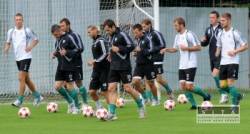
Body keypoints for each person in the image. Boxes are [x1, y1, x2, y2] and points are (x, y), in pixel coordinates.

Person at [161, 17, 211, 110]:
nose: (175, 27)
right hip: (182, 65)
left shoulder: (189, 34)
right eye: (174, 26)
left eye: (176, 25)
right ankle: (194, 105)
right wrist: (166, 49)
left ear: (181, 25)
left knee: (189, 86)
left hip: (191, 63)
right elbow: (175, 49)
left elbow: (199, 47)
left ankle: (206, 96)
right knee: (183, 86)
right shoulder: (177, 36)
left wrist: (187, 48)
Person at [103, 19, 145, 120]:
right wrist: (110, 54)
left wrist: (119, 49)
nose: (107, 32)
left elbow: (131, 46)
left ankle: (141, 106)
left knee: (128, 89)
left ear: (113, 27)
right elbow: (113, 49)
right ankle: (112, 113)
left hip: (124, 66)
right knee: (111, 88)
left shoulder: (122, 34)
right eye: (106, 31)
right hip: (113, 66)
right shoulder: (111, 37)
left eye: (108, 30)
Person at [4, 13, 43, 107]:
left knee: (21, 78)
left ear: (23, 20)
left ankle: (20, 100)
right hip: (18, 58)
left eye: (20, 19)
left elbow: (36, 39)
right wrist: (6, 48)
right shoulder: (11, 31)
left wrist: (30, 46)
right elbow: (8, 42)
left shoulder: (27, 30)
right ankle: (38, 96)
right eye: (17, 19)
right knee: (26, 79)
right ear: (14, 21)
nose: (18, 21)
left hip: (26, 57)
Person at [215, 13, 248, 111]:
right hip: (223, 62)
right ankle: (238, 95)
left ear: (229, 21)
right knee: (222, 86)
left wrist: (235, 51)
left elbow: (245, 45)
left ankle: (234, 106)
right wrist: (216, 54)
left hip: (233, 62)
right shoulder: (220, 33)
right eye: (220, 21)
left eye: (223, 20)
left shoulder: (235, 33)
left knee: (230, 83)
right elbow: (219, 46)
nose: (221, 22)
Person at [141, 19, 174, 106]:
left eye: (144, 26)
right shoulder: (144, 35)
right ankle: (150, 99)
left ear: (149, 25)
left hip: (157, 58)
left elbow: (163, 45)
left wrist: (152, 50)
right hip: (149, 59)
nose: (143, 28)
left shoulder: (156, 33)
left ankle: (169, 90)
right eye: (142, 27)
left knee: (158, 79)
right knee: (148, 80)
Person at [51, 24, 80, 114]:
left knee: (70, 86)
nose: (55, 36)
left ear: (60, 30)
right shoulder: (57, 41)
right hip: (61, 66)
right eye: (54, 35)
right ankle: (71, 103)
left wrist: (67, 52)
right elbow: (58, 51)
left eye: (56, 34)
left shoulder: (68, 38)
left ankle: (76, 107)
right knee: (57, 86)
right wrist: (54, 54)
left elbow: (78, 49)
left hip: (69, 66)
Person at [201, 10, 228, 104]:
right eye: (210, 17)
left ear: (217, 18)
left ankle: (223, 94)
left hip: (221, 55)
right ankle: (234, 93)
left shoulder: (222, 28)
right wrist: (202, 41)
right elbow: (205, 43)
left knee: (215, 74)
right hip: (212, 56)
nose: (211, 19)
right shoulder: (208, 29)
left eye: (213, 17)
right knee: (218, 77)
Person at [59, 18, 88, 106]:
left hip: (76, 63)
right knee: (66, 84)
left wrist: (67, 52)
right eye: (60, 26)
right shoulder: (62, 37)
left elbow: (80, 48)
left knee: (78, 83)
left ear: (68, 25)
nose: (61, 28)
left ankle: (85, 103)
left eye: (63, 26)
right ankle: (75, 103)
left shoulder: (75, 35)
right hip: (66, 65)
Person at [131, 24, 158, 107]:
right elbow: (140, 51)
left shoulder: (147, 39)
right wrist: (136, 53)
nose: (135, 35)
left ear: (140, 31)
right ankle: (145, 97)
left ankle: (155, 99)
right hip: (139, 64)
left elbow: (152, 50)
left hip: (148, 64)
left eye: (136, 33)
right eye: (134, 33)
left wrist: (141, 50)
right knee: (135, 82)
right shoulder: (137, 40)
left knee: (151, 83)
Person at [87, 25, 110, 109]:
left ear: (95, 30)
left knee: (105, 91)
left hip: (104, 70)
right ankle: (99, 107)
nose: (88, 34)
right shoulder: (94, 42)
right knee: (92, 91)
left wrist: (94, 60)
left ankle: (111, 112)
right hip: (96, 70)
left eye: (89, 32)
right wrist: (94, 62)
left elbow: (105, 53)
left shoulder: (101, 40)